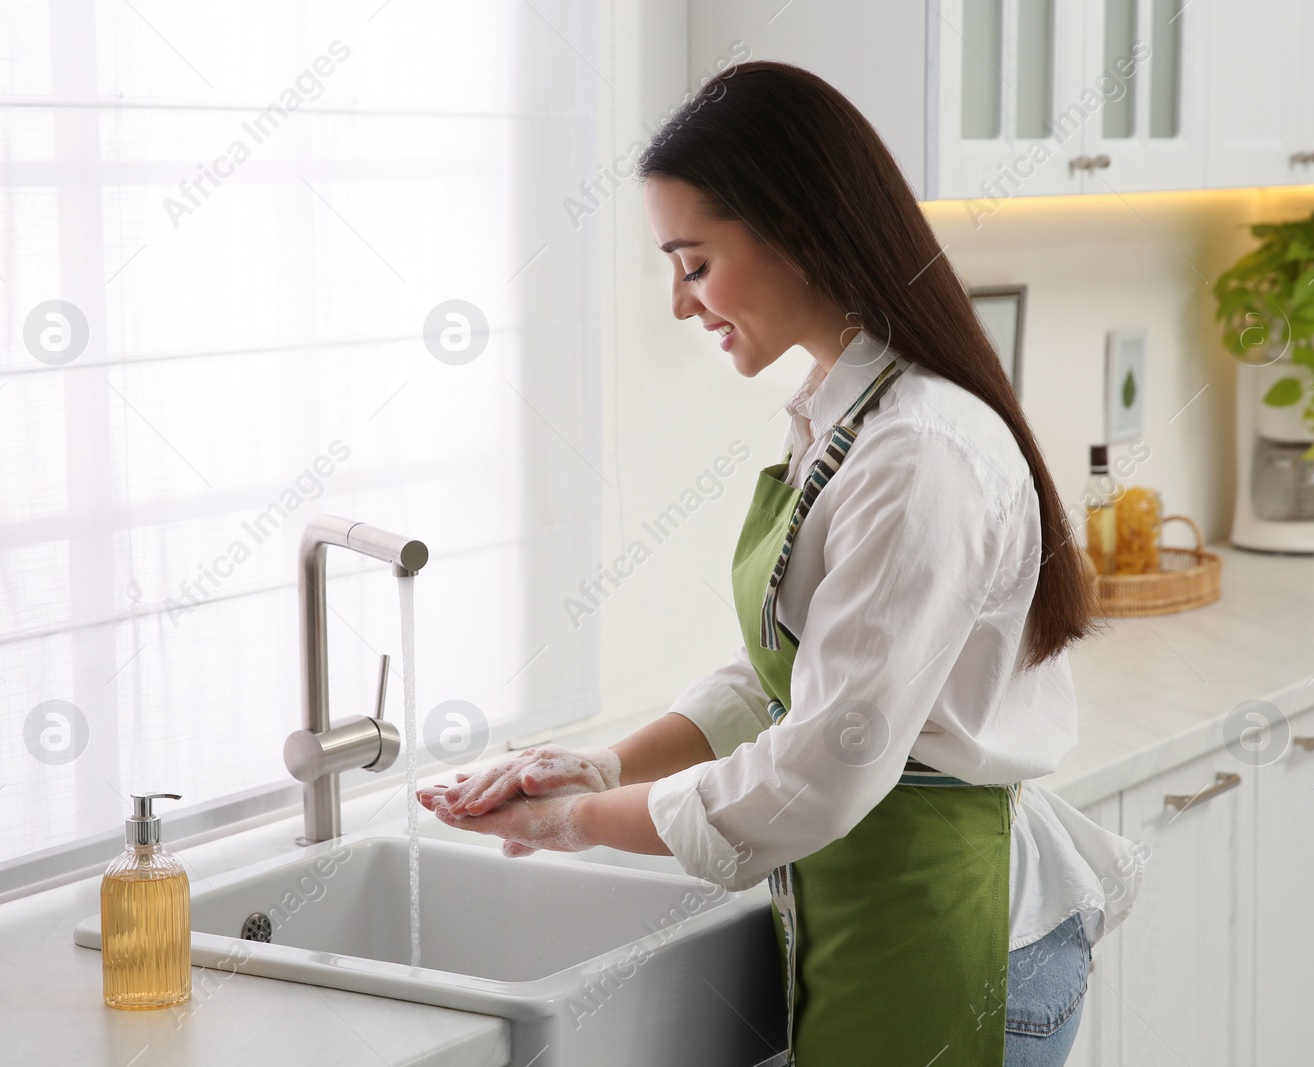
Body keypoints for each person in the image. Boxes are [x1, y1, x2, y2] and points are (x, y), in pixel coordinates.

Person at [418, 61, 1143, 1067]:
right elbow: (793, 675)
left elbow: (816, 766)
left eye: (694, 261)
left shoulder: (916, 451)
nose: (681, 302)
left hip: (959, 937)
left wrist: (574, 820)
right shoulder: (845, 417)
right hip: (883, 914)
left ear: (796, 228)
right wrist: (603, 762)